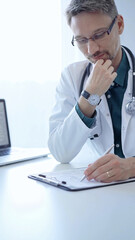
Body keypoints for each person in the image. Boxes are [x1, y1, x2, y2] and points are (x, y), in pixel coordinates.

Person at [48, 0, 135, 183]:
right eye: (81, 40)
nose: (91, 50)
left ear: (119, 25)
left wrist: (130, 166)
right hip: (99, 192)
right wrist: (89, 96)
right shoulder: (72, 77)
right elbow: (60, 152)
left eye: (99, 34)